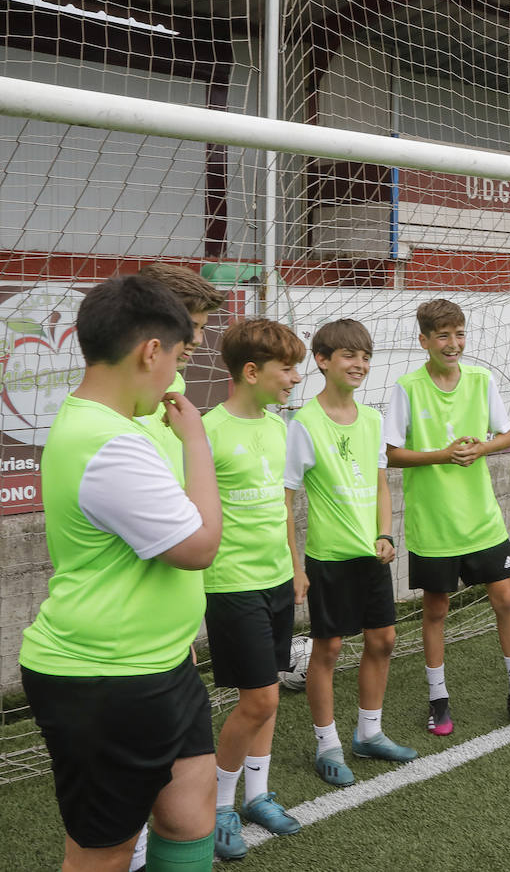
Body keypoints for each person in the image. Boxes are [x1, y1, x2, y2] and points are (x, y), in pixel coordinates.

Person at [19, 276, 223, 872]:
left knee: (190, 811)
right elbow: (200, 546)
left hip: (158, 662)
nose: (176, 377)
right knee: (102, 854)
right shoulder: (108, 442)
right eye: (179, 355)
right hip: (105, 678)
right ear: (150, 352)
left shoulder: (116, 425)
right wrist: (197, 443)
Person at [383, 299, 510, 735]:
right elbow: (391, 454)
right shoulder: (407, 387)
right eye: (442, 335)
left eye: (459, 334)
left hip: (482, 520)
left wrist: (482, 448)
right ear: (424, 341)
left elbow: (509, 433)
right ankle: (438, 700)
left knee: (507, 600)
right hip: (433, 525)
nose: (453, 343)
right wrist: (442, 454)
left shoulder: (481, 379)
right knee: (437, 610)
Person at [284, 319, 417, 788]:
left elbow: (382, 482)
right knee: (329, 649)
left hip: (371, 556)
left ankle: (369, 733)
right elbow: (288, 498)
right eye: (348, 355)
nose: (359, 364)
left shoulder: (374, 419)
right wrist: (296, 565)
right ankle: (328, 745)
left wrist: (386, 533)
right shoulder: (304, 422)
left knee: (383, 641)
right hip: (328, 559)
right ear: (322, 361)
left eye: (365, 356)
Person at [200, 318, 307, 859]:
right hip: (231, 584)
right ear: (251, 371)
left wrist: (295, 565)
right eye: (285, 368)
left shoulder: (276, 427)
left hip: (277, 580)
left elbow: (282, 504)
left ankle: (257, 795)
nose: (294, 377)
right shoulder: (205, 431)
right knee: (259, 698)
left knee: (268, 697)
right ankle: (218, 805)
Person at [134, 263, 226, 482]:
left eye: (202, 328)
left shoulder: (174, 383)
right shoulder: (122, 408)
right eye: (189, 325)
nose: (198, 340)